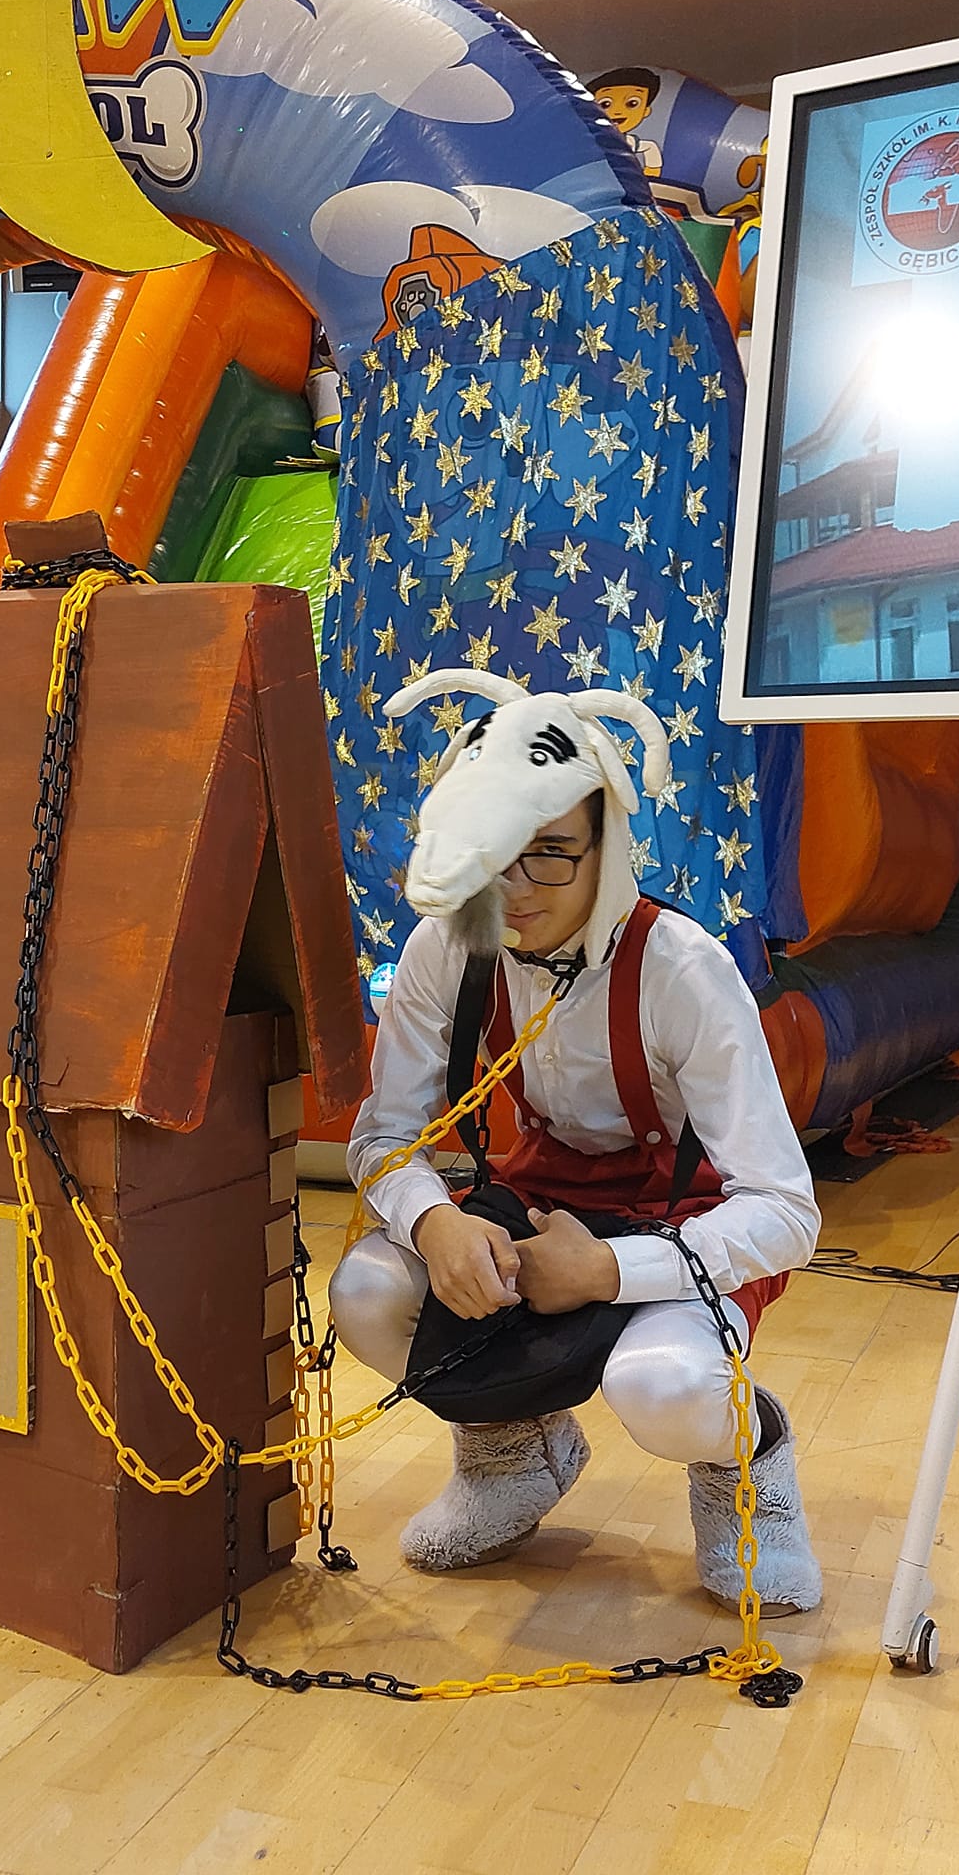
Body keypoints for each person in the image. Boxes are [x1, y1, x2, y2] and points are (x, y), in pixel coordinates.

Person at [330, 672, 822, 1612]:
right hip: (540, 1193)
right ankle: (513, 1458)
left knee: (662, 1385)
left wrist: (607, 1270)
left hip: (683, 1214)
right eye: (494, 852)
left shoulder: (683, 969)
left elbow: (787, 1213)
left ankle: (748, 1465)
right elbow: (384, 1136)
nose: (515, 890)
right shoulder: (445, 947)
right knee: (365, 1292)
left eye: (550, 853)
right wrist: (434, 1223)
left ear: (610, 847)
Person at [589, 67, 664, 178]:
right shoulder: (589, 140)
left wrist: (651, 172)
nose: (617, 112)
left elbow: (650, 147)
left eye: (632, 103)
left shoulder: (630, 142)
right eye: (605, 104)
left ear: (646, 111)